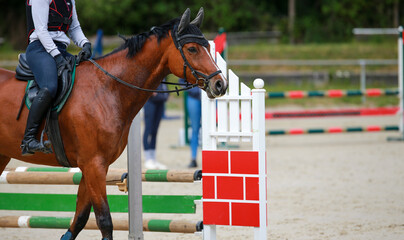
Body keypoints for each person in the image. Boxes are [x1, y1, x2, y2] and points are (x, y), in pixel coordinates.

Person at [21, 0, 92, 156]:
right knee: (50, 87)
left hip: (60, 49)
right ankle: (28, 139)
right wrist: (57, 56)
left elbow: (74, 28)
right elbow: (41, 30)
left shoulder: (69, 1)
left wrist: (85, 44)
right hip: (39, 48)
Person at [143, 81, 169, 169]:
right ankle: (147, 158)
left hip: (160, 101)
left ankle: (153, 158)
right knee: (148, 129)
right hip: (150, 102)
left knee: (155, 131)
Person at [180, 78, 202, 168]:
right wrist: (193, 89)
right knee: (195, 128)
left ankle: (209, 158)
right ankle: (193, 158)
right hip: (194, 97)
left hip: (208, 97)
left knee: (209, 129)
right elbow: (181, 81)